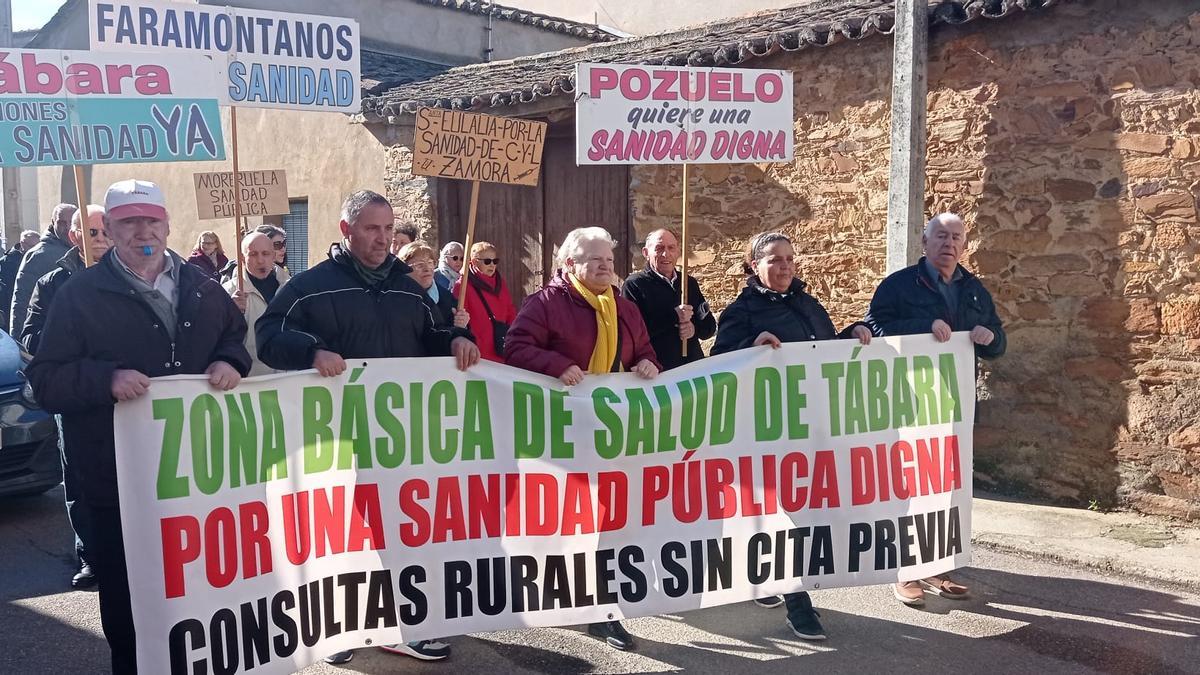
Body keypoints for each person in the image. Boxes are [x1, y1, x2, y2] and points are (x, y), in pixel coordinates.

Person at [27, 179, 250, 674]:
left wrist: (232, 362)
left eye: (152, 220)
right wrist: (105, 379)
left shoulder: (203, 288)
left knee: (202, 594)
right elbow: (45, 380)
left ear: (169, 225)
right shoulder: (78, 296)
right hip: (118, 485)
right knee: (131, 603)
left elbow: (234, 341)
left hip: (198, 479)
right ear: (108, 228)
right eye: (129, 221)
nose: (142, 231)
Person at [255, 190, 478, 666]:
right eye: (372, 229)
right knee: (339, 533)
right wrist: (312, 350)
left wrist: (458, 337)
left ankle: (404, 625)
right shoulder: (310, 286)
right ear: (347, 230)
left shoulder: (406, 288)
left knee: (398, 530)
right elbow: (270, 337)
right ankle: (340, 627)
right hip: (333, 436)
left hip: (400, 436)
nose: (383, 239)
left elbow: (433, 337)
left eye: (388, 228)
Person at [711, 231, 872, 641]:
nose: (784, 267)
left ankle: (765, 577)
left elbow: (824, 350)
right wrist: (752, 345)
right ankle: (799, 603)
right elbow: (720, 363)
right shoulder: (742, 310)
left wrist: (851, 334)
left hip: (813, 426)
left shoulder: (807, 303)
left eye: (789, 259)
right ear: (754, 266)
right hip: (769, 430)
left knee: (806, 510)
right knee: (787, 516)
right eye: (774, 260)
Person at [505, 226, 659, 652]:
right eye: (595, 260)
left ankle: (602, 611)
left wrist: (647, 362)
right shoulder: (546, 304)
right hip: (562, 433)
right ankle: (562, 594)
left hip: (613, 432)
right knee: (570, 516)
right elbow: (515, 347)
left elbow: (644, 349)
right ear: (569, 264)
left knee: (609, 520)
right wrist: (555, 364)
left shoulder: (625, 309)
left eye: (609, 260)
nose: (605, 266)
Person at [865, 212, 1006, 606]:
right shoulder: (898, 285)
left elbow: (998, 341)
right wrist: (923, 324)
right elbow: (873, 327)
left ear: (964, 245)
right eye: (940, 236)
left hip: (954, 406)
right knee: (907, 486)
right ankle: (902, 571)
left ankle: (933, 563)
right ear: (924, 243)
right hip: (907, 403)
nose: (948, 243)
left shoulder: (974, 289)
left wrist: (989, 335)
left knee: (944, 487)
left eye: (956, 237)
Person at [18, 206, 110, 592]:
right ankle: (90, 554)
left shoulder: (139, 277)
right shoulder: (53, 282)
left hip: (131, 399)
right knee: (81, 478)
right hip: (77, 399)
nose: (100, 239)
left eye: (106, 231)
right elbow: (30, 339)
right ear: (74, 236)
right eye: (91, 232)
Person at [621, 228, 717, 370]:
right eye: (659, 248)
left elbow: (709, 328)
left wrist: (693, 329)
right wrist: (673, 316)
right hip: (658, 372)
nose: (666, 254)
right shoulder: (634, 285)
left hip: (693, 370)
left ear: (678, 252)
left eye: (671, 248)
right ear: (646, 253)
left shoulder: (688, 282)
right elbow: (633, 333)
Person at [223, 232, 291, 376]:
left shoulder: (291, 288)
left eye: (265, 254)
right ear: (242, 258)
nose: (260, 260)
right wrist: (228, 313)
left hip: (287, 379)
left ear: (273, 255)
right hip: (250, 383)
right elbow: (214, 337)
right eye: (253, 254)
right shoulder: (228, 292)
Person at [10, 203, 76, 333]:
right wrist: (21, 343)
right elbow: (22, 301)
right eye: (62, 222)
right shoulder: (38, 256)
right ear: (53, 223)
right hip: (48, 337)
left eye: (71, 222)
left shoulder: (86, 251)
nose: (67, 227)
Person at [452, 241, 516, 362]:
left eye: (495, 261)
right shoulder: (462, 285)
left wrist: (512, 333)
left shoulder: (500, 283)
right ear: (475, 262)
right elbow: (459, 318)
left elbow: (510, 309)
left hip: (500, 345)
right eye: (487, 261)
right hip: (479, 350)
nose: (492, 265)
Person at [397, 241, 469, 329]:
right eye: (420, 265)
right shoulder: (394, 297)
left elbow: (456, 336)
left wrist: (462, 325)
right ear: (405, 269)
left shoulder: (447, 299)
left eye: (430, 263)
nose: (427, 269)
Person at [0, 229, 42, 329]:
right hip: (10, 309)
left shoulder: (37, 259)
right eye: (33, 247)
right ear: (23, 244)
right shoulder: (6, 262)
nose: (36, 250)